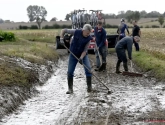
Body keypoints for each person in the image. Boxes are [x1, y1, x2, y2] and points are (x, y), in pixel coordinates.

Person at [60, 24, 93, 94]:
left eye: (89, 33)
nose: (88, 34)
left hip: (83, 55)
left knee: (88, 70)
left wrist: (81, 58)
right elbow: (63, 30)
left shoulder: (89, 39)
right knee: (70, 71)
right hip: (73, 54)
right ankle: (70, 89)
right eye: (87, 33)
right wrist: (61, 38)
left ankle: (89, 87)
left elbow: (85, 50)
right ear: (83, 30)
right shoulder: (76, 32)